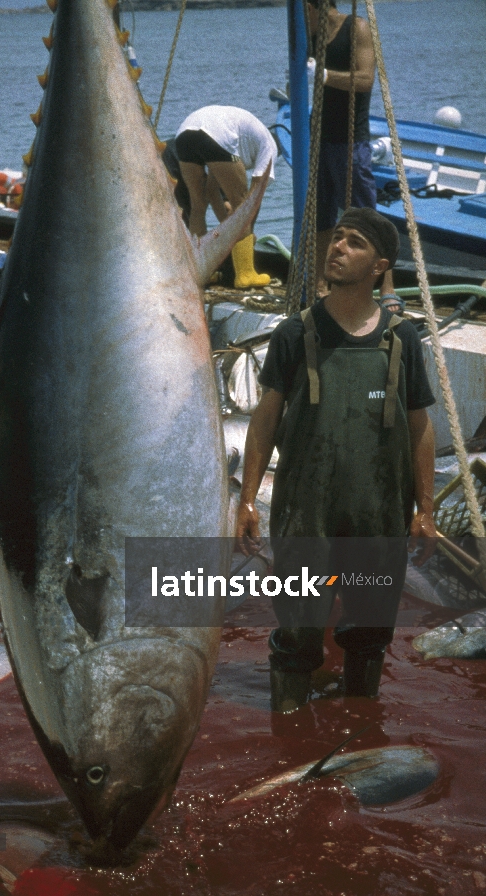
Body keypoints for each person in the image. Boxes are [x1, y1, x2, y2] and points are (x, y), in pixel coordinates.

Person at [235, 208, 437, 712]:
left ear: (379, 266)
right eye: (337, 237)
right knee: (299, 629)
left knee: (370, 629)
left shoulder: (402, 340)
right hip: (307, 514)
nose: (338, 247)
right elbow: (265, 419)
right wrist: (246, 501)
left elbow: (421, 428)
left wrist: (426, 510)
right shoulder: (294, 334)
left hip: (379, 513)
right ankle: (288, 730)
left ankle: (360, 726)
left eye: (354, 243)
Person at [307, 0, 401, 310]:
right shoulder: (308, 35)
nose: (300, 18)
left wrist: (322, 76)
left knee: (366, 217)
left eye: (302, 11)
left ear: (314, 6)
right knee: (320, 216)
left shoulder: (356, 27)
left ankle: (386, 287)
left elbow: (364, 80)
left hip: (350, 140)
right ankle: (320, 284)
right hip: (319, 137)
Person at [175, 105, 277, 289]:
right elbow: (251, 202)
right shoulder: (269, 148)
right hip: (215, 133)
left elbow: (213, 193)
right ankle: (245, 274)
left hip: (184, 133)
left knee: (197, 205)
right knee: (242, 203)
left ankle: (200, 273)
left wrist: (230, 232)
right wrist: (245, 232)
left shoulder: (238, 146)